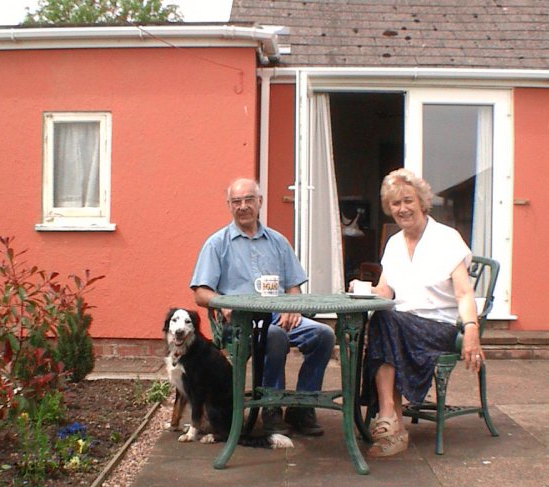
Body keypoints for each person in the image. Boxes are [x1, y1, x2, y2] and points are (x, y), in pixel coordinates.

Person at [354, 168, 484, 458]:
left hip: (438, 326)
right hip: (400, 325)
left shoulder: (446, 239)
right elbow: (385, 293)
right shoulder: (394, 244)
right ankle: (393, 424)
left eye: (408, 201)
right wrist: (362, 290)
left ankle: (388, 418)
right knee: (384, 319)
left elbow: (464, 293)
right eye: (396, 204)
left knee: (385, 322)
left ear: (422, 203)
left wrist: (472, 329)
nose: (402, 209)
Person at [190, 177, 336, 436]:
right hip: (241, 321)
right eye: (237, 201)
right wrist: (223, 304)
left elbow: (293, 285)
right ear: (229, 206)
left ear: (260, 202)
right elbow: (200, 293)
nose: (243, 206)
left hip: (280, 315)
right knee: (275, 336)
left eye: (249, 200)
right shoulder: (217, 243)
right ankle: (272, 407)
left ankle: (303, 406)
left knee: (324, 335)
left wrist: (292, 307)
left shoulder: (278, 241)